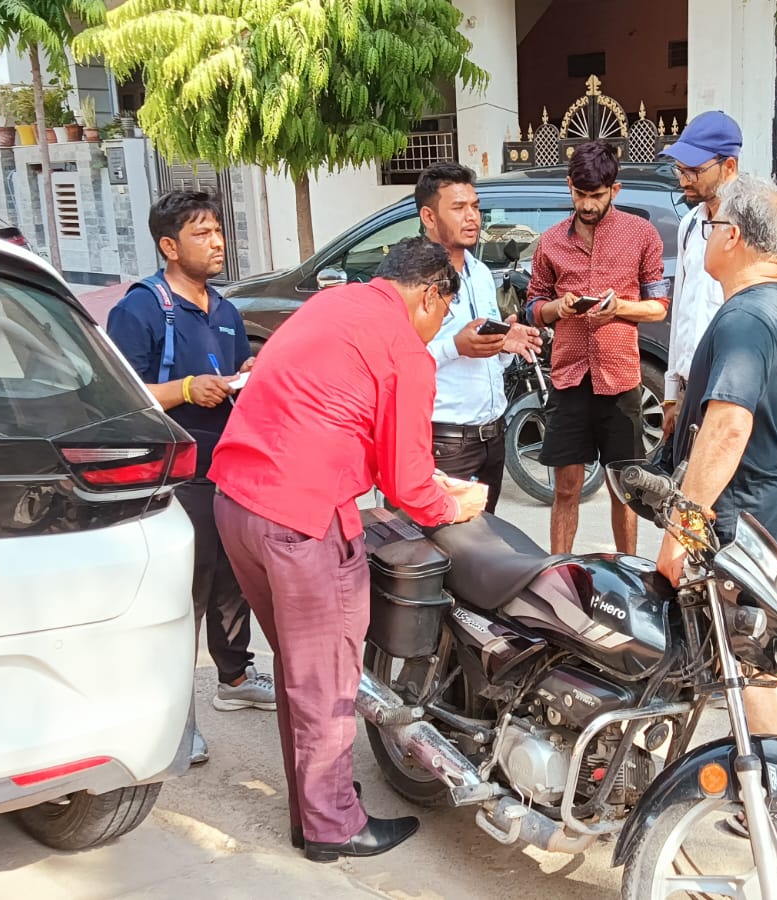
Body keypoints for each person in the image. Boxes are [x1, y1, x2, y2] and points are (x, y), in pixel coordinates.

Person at [211, 237, 488, 863]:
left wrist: (414, 481)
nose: (441, 326)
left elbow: (333, 417)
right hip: (302, 519)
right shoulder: (404, 349)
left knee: (298, 668)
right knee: (330, 679)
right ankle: (331, 825)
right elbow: (410, 485)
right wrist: (455, 505)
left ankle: (313, 806)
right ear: (429, 295)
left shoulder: (329, 306)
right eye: (446, 312)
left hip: (238, 502)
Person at [653, 176, 777, 834]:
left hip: (750, 502)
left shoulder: (745, 318)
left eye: (712, 228)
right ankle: (774, 769)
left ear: (731, 236)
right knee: (759, 634)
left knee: (745, 646)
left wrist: (679, 532)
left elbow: (728, 428)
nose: (707, 237)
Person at [105, 190, 276, 768]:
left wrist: (245, 374)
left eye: (218, 231)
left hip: (227, 467)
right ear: (169, 246)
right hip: (177, 477)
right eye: (202, 234)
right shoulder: (140, 310)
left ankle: (235, 678)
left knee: (233, 581)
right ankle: (177, 721)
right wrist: (184, 389)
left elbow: (228, 380)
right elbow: (120, 395)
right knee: (188, 596)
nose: (217, 243)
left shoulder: (224, 310)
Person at [524, 140, 669, 554]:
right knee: (566, 488)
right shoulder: (550, 241)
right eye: (580, 194)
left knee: (626, 490)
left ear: (614, 190)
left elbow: (659, 307)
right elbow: (533, 306)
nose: (587, 205)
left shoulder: (641, 235)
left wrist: (620, 308)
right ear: (570, 187)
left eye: (597, 195)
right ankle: (557, 574)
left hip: (620, 380)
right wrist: (556, 308)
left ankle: (629, 571)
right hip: (569, 380)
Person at [660, 111, 777, 436]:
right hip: (693, 390)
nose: (684, 180)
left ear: (729, 166)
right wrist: (672, 393)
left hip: (743, 396)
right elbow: (681, 311)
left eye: (694, 171)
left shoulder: (762, 226)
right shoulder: (690, 225)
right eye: (680, 169)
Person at [417, 162, 543, 512]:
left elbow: (488, 358)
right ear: (429, 216)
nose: (472, 217)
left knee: (485, 537)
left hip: (491, 436)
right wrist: (454, 347)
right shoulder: (412, 279)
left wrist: (504, 344)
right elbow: (397, 361)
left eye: (475, 206)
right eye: (458, 208)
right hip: (442, 440)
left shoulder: (481, 272)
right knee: (438, 539)